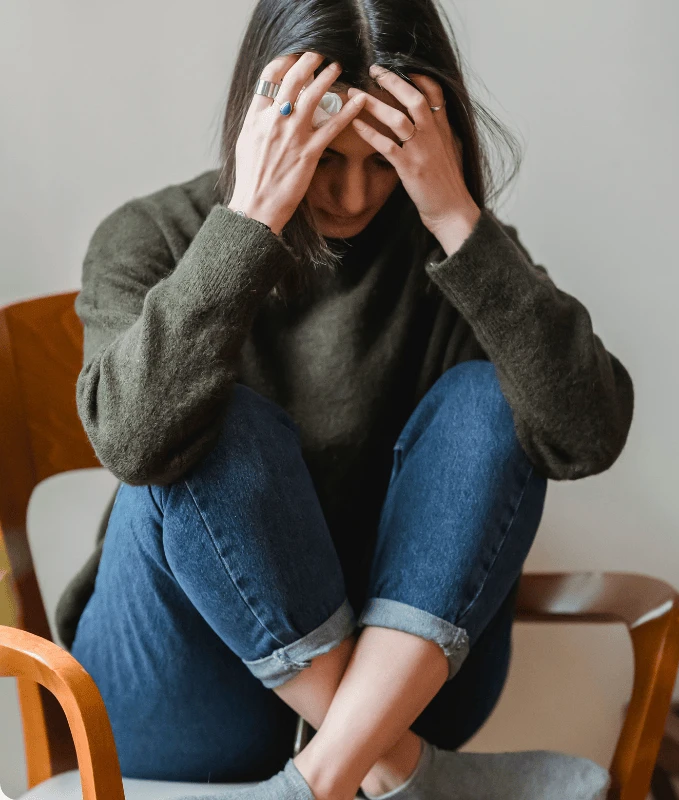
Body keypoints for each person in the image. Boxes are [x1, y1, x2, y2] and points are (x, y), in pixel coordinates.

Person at [58, 1, 634, 798]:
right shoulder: (149, 236)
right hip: (179, 689)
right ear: (261, 124)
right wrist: (250, 221)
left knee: (491, 402)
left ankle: (318, 777)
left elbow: (586, 435)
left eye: (383, 158)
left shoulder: (450, 248)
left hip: (404, 677)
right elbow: (133, 439)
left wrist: (458, 217)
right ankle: (401, 770)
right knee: (211, 425)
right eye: (326, 155)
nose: (354, 195)